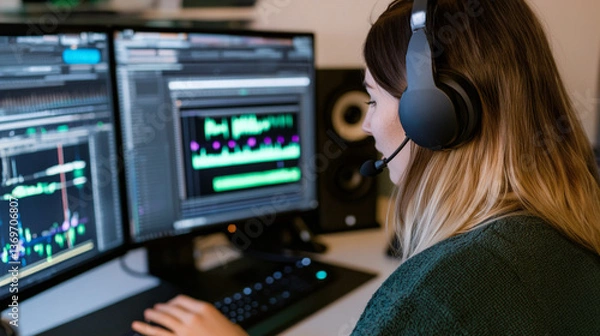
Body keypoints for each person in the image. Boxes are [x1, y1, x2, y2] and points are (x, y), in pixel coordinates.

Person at [131, 0, 600, 335]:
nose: (369, 125)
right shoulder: (568, 224)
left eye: (374, 99)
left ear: (433, 117)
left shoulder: (440, 295)